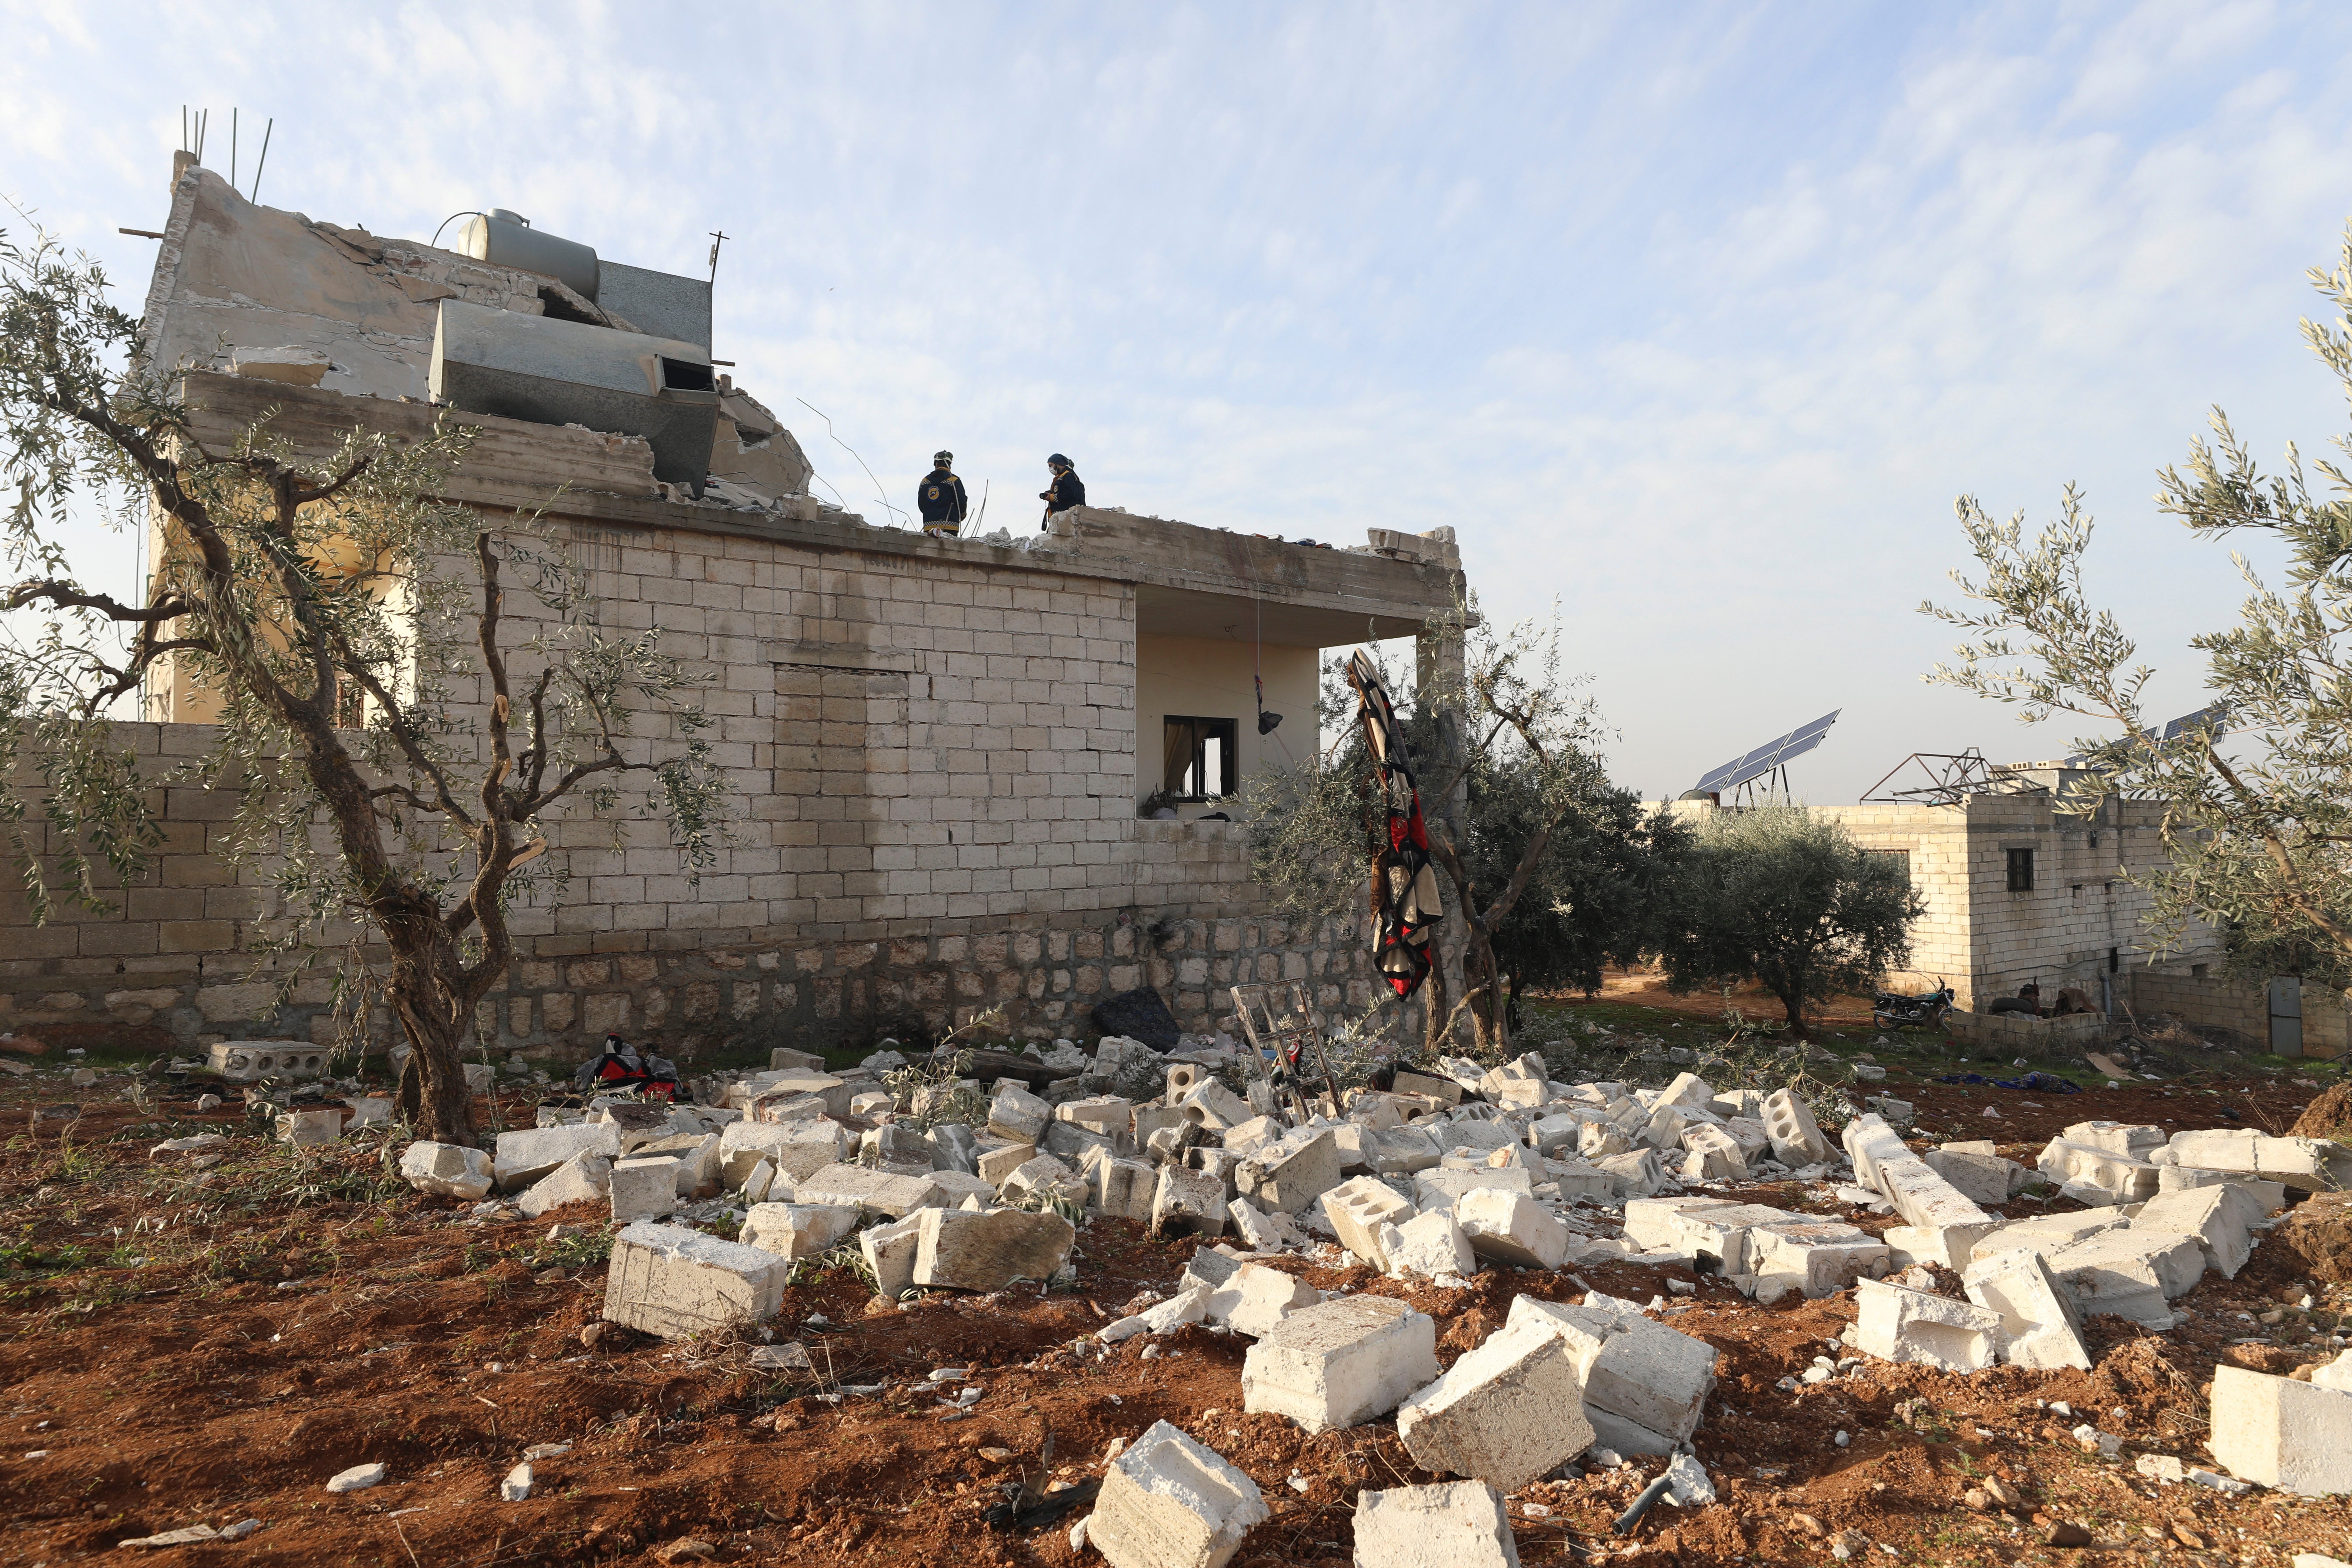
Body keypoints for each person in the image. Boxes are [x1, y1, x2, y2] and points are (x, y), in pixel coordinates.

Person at [917, 451, 968, 537]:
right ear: (950, 465)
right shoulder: (954, 480)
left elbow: (921, 505)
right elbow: (961, 501)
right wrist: (962, 515)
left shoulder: (925, 482)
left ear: (936, 464)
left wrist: (930, 513)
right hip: (951, 526)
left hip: (929, 526)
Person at [1039, 453, 1085, 527]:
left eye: (1051, 465)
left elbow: (1070, 493)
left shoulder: (1068, 475)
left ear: (1058, 464)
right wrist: (1050, 494)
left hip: (1064, 517)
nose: (1050, 468)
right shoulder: (1061, 477)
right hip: (1058, 518)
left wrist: (1052, 497)